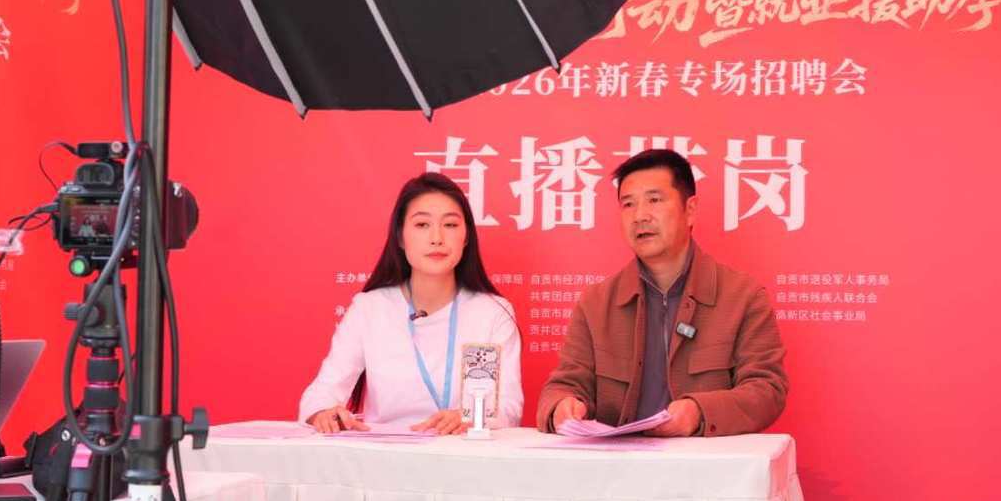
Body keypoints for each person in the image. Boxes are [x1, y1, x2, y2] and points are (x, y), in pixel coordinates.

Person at [537, 148, 787, 437]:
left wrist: (700, 412)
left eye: (654, 200)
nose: (639, 216)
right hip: (617, 462)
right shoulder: (595, 303)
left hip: (706, 462)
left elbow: (767, 389)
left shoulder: (743, 297)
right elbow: (564, 385)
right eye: (628, 204)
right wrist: (562, 406)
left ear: (690, 210)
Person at [301, 173, 522, 434]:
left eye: (450, 225)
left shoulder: (492, 312)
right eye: (422, 225)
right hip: (383, 451)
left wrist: (470, 417)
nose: (437, 238)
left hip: (461, 450)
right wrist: (323, 413)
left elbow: (508, 407)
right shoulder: (369, 308)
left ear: (466, 237)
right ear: (400, 237)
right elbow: (322, 392)